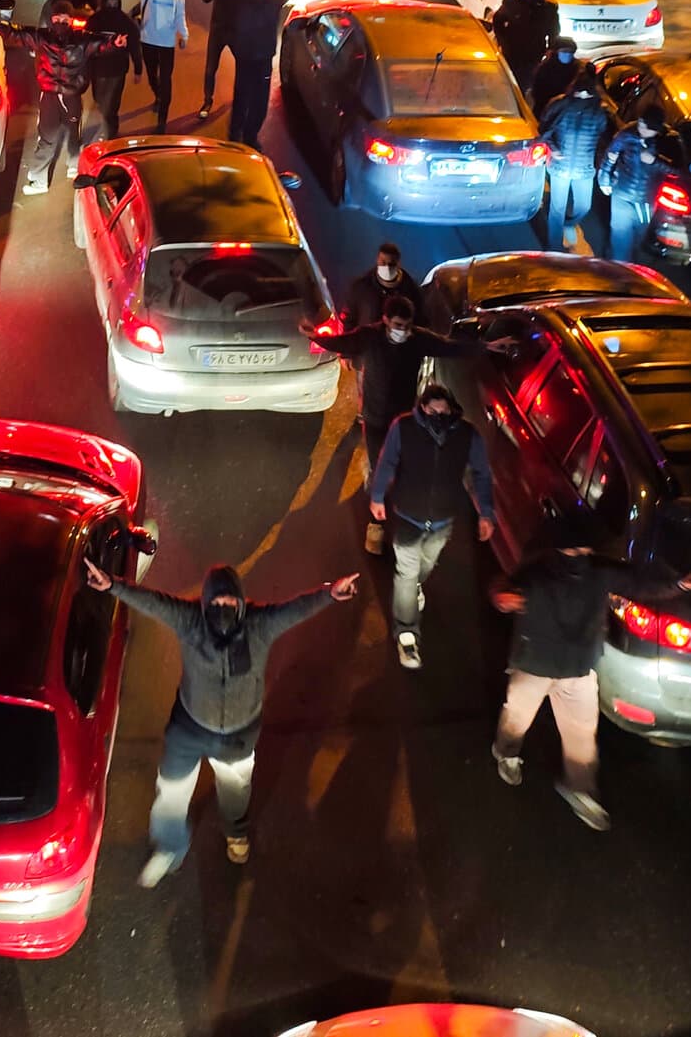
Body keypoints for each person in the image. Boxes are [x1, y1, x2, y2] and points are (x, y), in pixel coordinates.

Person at [85, 556, 359, 881]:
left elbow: (294, 610)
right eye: (216, 600)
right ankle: (170, 845)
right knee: (171, 789)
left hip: (238, 737)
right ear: (204, 602)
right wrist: (113, 586)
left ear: (241, 601)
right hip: (187, 730)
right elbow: (154, 603)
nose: (223, 606)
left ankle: (236, 832)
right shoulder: (189, 621)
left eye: (230, 600)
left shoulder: (260, 624)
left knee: (234, 791)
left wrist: (330, 593)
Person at [490, 515, 691, 829]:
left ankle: (576, 786)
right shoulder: (557, 570)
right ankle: (507, 751)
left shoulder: (582, 571)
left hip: (560, 668)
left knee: (574, 731)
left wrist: (679, 584)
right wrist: (503, 597)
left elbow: (640, 584)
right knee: (530, 719)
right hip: (550, 667)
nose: (578, 554)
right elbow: (640, 583)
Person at [304, 298, 482, 555]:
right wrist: (316, 338)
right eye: (399, 325)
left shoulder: (417, 340)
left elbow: (450, 347)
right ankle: (376, 525)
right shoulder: (370, 337)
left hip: (404, 421)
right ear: (386, 320)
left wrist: (485, 346)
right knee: (382, 468)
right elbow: (341, 342)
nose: (404, 330)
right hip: (375, 419)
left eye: (408, 325)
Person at [369, 382, 495, 669]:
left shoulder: (467, 435)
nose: (438, 415)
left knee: (424, 567)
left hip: (442, 521)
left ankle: (415, 588)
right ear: (422, 408)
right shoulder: (403, 428)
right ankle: (407, 637)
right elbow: (387, 461)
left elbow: (481, 475)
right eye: (432, 410)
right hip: (408, 518)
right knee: (406, 572)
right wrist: (377, 496)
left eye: (443, 410)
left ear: (451, 410)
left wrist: (486, 513)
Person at [11, 0, 128, 194]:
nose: (61, 24)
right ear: (52, 20)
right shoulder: (43, 37)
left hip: (71, 96)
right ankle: (40, 178)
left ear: (71, 21)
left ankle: (72, 167)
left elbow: (100, 44)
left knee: (73, 133)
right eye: (57, 19)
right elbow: (18, 34)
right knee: (47, 137)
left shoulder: (81, 40)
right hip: (49, 96)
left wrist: (115, 44)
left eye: (65, 20)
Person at [227, 0, 332, 147]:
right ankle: (250, 137)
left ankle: (234, 136)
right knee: (259, 102)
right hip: (263, 60)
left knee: (241, 97)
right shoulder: (274, 0)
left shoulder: (238, 0)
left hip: (245, 59)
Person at [541, 67, 614, 251]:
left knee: (584, 206)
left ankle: (570, 224)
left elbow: (601, 138)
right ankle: (554, 247)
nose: (582, 97)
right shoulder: (560, 106)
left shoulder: (597, 112)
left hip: (584, 168)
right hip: (560, 167)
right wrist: (554, 150)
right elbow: (544, 131)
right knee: (557, 210)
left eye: (586, 94)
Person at [597, 104, 667, 263]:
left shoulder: (664, 143)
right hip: (621, 194)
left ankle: (631, 266)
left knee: (639, 237)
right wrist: (604, 180)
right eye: (641, 123)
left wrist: (654, 161)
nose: (641, 129)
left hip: (645, 201)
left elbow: (676, 170)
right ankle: (617, 269)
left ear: (656, 130)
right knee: (620, 237)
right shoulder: (627, 134)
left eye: (646, 127)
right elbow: (610, 155)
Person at [130, 0, 190, 131]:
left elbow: (180, 15)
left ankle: (162, 119)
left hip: (167, 44)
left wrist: (184, 35)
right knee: (152, 76)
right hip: (147, 40)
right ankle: (158, 96)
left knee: (166, 80)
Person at [88, 0, 144, 139]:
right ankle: (107, 123)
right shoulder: (94, 20)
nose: (111, 7)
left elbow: (134, 47)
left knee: (112, 106)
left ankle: (111, 134)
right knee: (99, 100)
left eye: (114, 3)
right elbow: (85, 45)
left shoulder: (126, 23)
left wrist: (138, 69)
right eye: (109, 3)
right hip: (98, 70)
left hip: (116, 72)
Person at [491, 0, 561, 96]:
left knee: (525, 83)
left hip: (534, 53)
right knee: (508, 81)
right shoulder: (512, 3)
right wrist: (502, 40)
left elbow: (554, 31)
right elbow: (498, 20)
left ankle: (520, 101)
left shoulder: (548, 8)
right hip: (512, 51)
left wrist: (550, 49)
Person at [198, 0, 245, 119]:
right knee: (211, 68)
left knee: (243, 66)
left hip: (236, 29)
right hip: (218, 29)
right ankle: (207, 101)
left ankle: (240, 99)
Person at [344, 242, 412, 329]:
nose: (387, 267)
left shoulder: (410, 289)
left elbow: (420, 322)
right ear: (377, 260)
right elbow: (349, 320)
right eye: (383, 263)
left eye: (391, 264)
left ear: (398, 263)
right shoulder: (361, 287)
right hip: (368, 341)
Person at [527, 32, 582, 120]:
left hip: (569, 113)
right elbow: (537, 92)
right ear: (556, 52)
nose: (567, 54)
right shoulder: (545, 68)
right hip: (545, 111)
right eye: (564, 51)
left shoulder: (578, 68)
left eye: (570, 52)